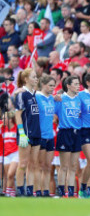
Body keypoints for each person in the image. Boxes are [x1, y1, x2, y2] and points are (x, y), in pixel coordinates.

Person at [54, 76, 82, 198]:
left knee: (73, 166)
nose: (78, 86)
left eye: (78, 83)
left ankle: (70, 193)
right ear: (68, 86)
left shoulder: (79, 99)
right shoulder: (61, 99)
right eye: (75, 84)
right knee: (64, 166)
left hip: (77, 133)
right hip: (65, 132)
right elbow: (53, 114)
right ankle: (61, 192)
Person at [14, 68, 40, 197]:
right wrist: (21, 133)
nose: (36, 79)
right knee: (23, 164)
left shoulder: (36, 94)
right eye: (34, 77)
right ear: (25, 79)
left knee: (33, 164)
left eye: (36, 77)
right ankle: (19, 190)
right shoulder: (21, 94)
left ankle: (30, 191)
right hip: (26, 134)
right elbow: (18, 114)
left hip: (37, 132)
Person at [34, 75, 56, 197]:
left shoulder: (52, 98)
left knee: (48, 166)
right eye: (50, 85)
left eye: (54, 85)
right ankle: (37, 191)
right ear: (43, 85)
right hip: (40, 136)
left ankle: (46, 191)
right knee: (39, 165)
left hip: (50, 136)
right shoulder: (37, 96)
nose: (53, 88)